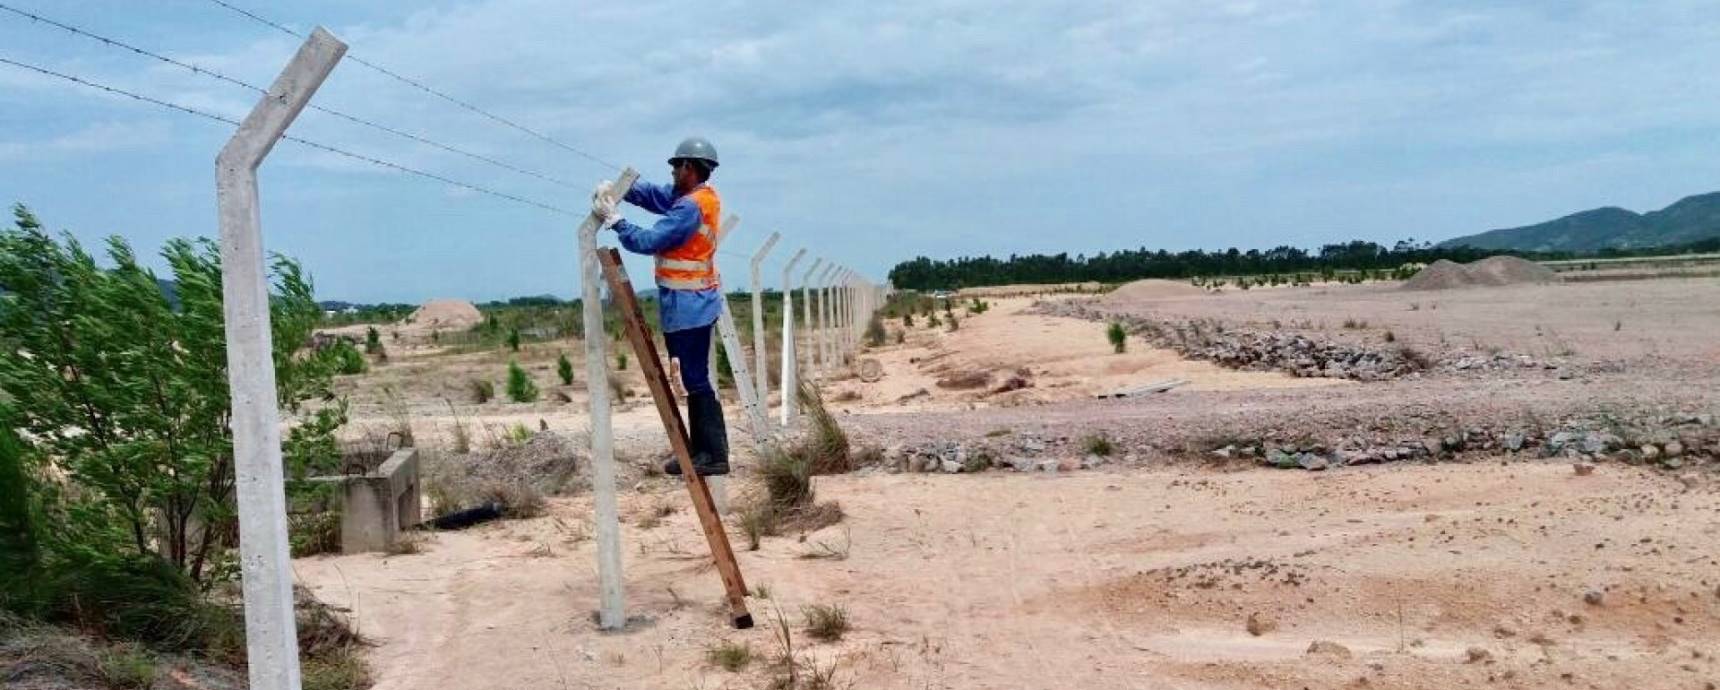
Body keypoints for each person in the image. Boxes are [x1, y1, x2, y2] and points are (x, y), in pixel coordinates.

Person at [591, 137, 729, 476]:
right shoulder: (698, 199)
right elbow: (658, 196)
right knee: (692, 378)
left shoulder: (689, 208)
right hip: (689, 304)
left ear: (689, 168)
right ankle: (703, 452)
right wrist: (626, 188)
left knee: (693, 379)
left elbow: (651, 240)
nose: (671, 171)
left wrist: (616, 220)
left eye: (675, 166)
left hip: (688, 307)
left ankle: (712, 455)